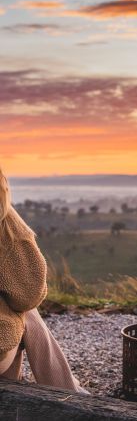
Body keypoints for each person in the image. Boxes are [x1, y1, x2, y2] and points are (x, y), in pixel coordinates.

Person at [0, 167, 90, 394]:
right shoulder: (5, 226)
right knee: (25, 312)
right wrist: (9, 217)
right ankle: (69, 394)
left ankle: (18, 393)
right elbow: (30, 294)